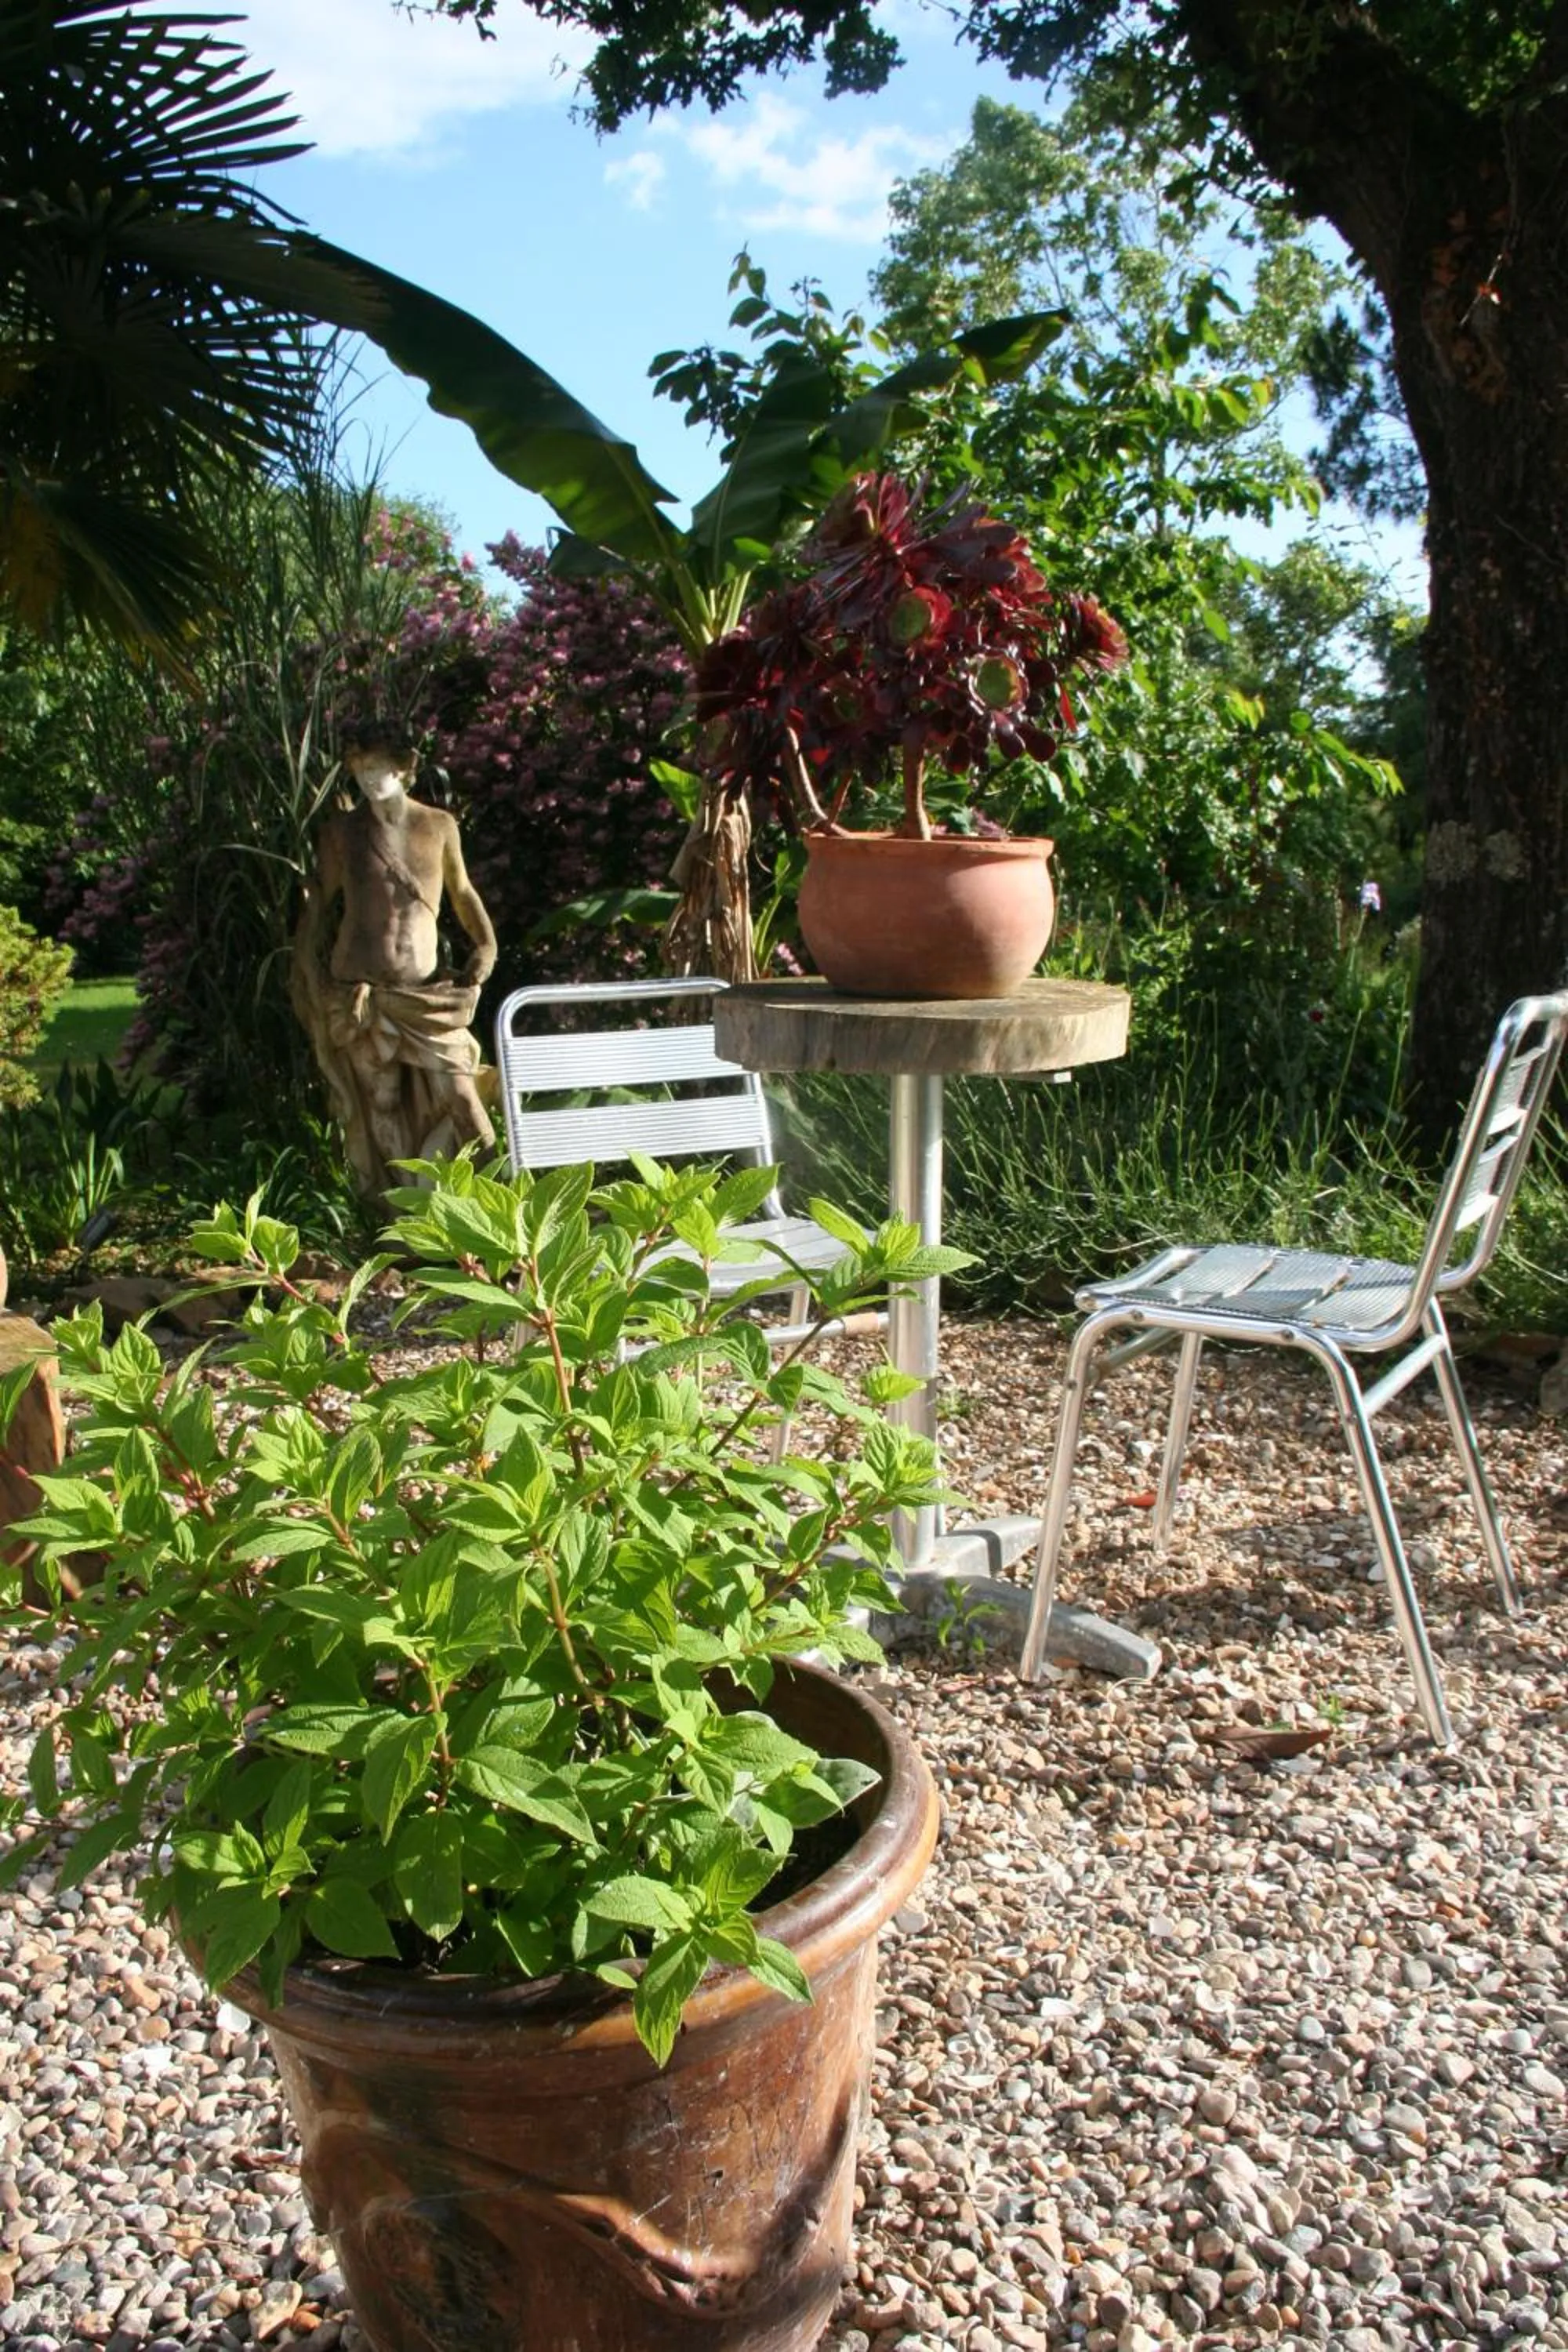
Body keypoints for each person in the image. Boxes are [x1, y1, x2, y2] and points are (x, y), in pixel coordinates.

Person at [292, 726, 499, 1201]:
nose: (369, 779)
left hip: (424, 997)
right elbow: (319, 906)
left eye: (379, 767)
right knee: (380, 1102)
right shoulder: (343, 835)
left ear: (405, 769)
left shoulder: (439, 826)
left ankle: (501, 1204)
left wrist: (485, 946)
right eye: (361, 770)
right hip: (359, 993)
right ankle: (396, 1217)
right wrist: (311, 977)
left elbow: (462, 893)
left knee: (462, 1097)